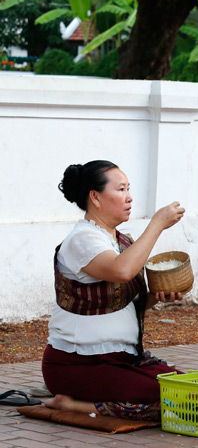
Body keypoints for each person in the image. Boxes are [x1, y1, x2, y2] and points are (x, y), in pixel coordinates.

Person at [42, 160, 185, 420]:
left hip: (122, 360)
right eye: (120, 190)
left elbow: (127, 302)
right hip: (77, 364)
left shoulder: (121, 240)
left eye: (128, 189)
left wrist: (157, 296)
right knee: (174, 398)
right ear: (95, 197)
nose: (129, 197)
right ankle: (73, 404)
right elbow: (121, 271)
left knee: (191, 389)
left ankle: (87, 401)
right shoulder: (82, 239)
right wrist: (157, 225)